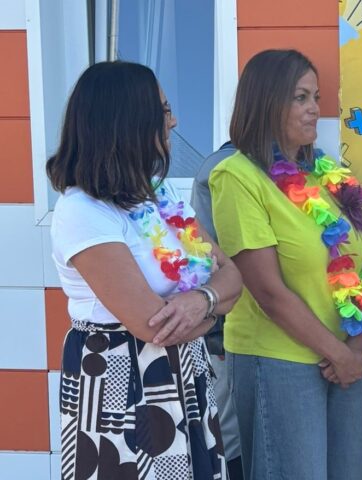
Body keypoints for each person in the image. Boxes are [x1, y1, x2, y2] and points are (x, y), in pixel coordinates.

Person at [47, 61, 242, 479]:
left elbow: (231, 277)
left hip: (184, 374)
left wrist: (200, 299)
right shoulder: (82, 211)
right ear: (128, 122)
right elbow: (152, 325)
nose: (174, 121)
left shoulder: (159, 196)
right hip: (122, 378)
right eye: (164, 110)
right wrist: (213, 304)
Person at [208, 49, 362, 480]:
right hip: (280, 361)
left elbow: (361, 266)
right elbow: (267, 291)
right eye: (300, 98)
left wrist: (354, 350)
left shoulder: (325, 176)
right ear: (267, 101)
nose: (314, 110)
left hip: (343, 362)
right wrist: (338, 353)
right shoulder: (237, 176)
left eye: (315, 97)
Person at [192, 140, 244, 480]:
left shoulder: (311, 166)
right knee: (228, 439)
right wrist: (215, 335)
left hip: (289, 343)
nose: (313, 108)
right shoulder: (223, 166)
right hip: (228, 338)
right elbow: (207, 263)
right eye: (298, 98)